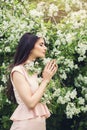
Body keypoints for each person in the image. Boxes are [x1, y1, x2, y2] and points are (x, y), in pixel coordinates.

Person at [8, 32, 58, 130]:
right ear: (30, 47)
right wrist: (45, 80)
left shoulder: (33, 71)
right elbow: (30, 103)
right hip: (25, 126)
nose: (45, 48)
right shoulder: (18, 71)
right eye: (41, 44)